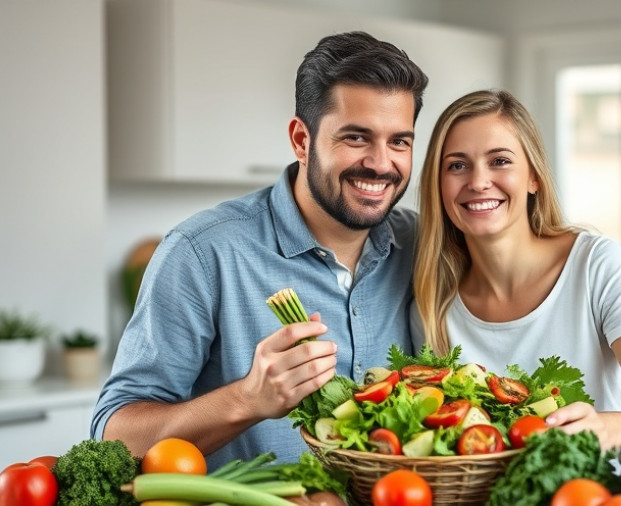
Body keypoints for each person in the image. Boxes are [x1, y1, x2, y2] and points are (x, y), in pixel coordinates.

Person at [92, 31, 429, 468]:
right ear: (301, 141)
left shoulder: (420, 244)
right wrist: (248, 398)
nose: (382, 164)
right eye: (356, 138)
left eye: (399, 141)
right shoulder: (202, 253)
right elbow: (114, 436)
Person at [413, 89, 621, 449]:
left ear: (534, 177)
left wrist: (605, 428)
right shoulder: (432, 302)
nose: (478, 181)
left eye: (499, 161)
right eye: (457, 165)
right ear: (438, 186)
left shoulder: (596, 267)